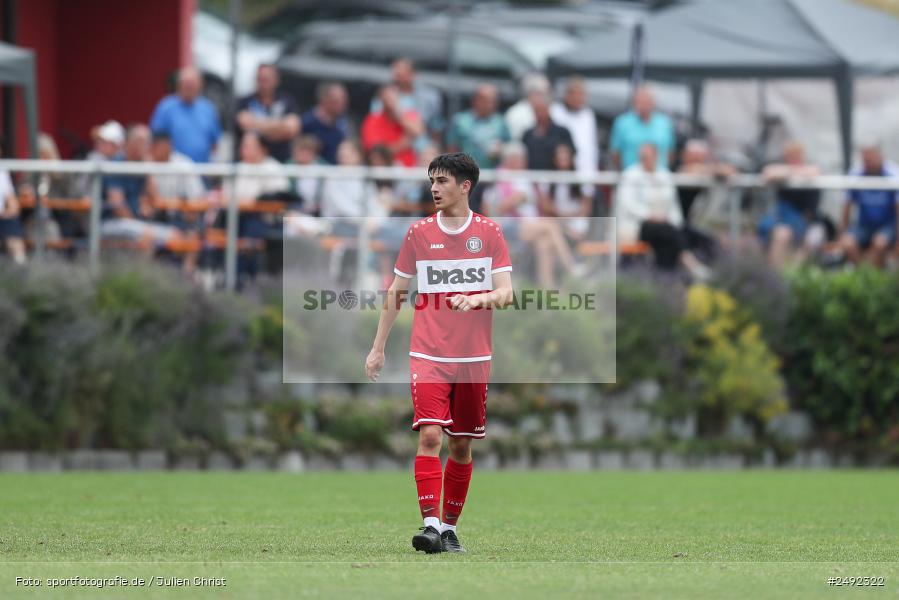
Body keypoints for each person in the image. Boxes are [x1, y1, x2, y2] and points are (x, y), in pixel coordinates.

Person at [364, 152, 514, 555]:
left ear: (465, 186)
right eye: (432, 180)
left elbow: (506, 293)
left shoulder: (490, 232)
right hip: (427, 353)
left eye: (443, 180)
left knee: (461, 445)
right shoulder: (418, 233)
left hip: (474, 358)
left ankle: (448, 529)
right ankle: (430, 526)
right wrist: (377, 348)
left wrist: (478, 298)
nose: (434, 187)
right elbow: (396, 292)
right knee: (430, 434)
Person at [486, 142, 580, 288]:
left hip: (530, 225)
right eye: (518, 159)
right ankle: (572, 267)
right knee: (550, 226)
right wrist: (516, 199)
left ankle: (547, 289)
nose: (522, 162)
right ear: (510, 160)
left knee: (545, 243)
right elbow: (494, 209)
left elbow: (538, 206)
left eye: (522, 159)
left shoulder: (526, 178)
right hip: (510, 226)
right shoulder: (501, 179)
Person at [616, 143, 708, 279]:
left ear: (656, 156)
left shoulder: (664, 175)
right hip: (640, 226)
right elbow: (627, 204)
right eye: (643, 157)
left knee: (676, 237)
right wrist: (651, 216)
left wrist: (674, 223)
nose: (645, 160)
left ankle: (666, 278)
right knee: (666, 231)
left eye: (648, 156)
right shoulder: (630, 175)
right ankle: (689, 262)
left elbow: (673, 205)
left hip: (666, 226)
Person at [757, 141, 822, 268]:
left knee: (783, 235)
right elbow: (768, 172)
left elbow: (814, 172)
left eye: (797, 156)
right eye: (791, 156)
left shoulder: (810, 170)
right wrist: (790, 172)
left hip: (802, 218)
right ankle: (773, 271)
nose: (794, 159)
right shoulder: (782, 169)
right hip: (781, 215)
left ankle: (776, 273)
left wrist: (789, 173)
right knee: (773, 233)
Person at [839, 141, 899, 268]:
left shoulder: (893, 175)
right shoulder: (856, 174)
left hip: (888, 226)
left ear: (879, 156)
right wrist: (842, 234)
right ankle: (863, 273)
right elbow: (846, 206)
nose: (867, 162)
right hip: (864, 226)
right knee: (847, 243)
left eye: (870, 159)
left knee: (879, 243)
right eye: (865, 159)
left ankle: (874, 275)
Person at [149, 67, 222, 164]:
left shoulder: (208, 109)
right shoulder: (166, 107)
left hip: (203, 168)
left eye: (192, 84)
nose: (189, 87)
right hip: (174, 169)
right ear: (178, 85)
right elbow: (157, 140)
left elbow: (215, 143)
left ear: (200, 85)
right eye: (186, 83)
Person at [234, 64, 301, 163]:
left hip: (281, 162)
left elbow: (292, 128)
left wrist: (256, 125)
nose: (263, 83)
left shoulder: (288, 101)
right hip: (251, 163)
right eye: (260, 79)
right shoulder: (245, 102)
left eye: (266, 79)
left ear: (276, 80)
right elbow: (244, 123)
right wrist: (279, 128)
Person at [610, 86, 675, 170]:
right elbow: (615, 153)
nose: (643, 105)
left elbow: (670, 152)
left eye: (646, 101)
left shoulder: (665, 123)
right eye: (640, 101)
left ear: (653, 102)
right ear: (634, 103)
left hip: (659, 175)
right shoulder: (622, 122)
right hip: (630, 175)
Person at [446, 83, 510, 169]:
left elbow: (509, 148)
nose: (490, 105)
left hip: (493, 173)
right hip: (466, 172)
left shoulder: (501, 123)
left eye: (493, 101)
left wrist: (501, 148)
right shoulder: (460, 121)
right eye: (486, 101)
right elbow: (451, 149)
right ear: (475, 100)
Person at [536, 144, 592, 239]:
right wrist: (561, 215)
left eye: (565, 157)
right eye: (560, 157)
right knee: (551, 227)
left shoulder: (580, 178)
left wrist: (571, 215)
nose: (563, 159)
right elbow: (545, 205)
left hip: (575, 218)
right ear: (555, 159)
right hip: (556, 218)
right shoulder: (548, 178)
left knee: (580, 227)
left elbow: (586, 206)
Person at [361, 84, 424, 168]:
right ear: (381, 99)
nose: (390, 100)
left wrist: (399, 117)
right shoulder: (372, 119)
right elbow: (376, 150)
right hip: (383, 167)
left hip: (407, 168)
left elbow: (418, 131)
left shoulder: (407, 115)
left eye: (393, 96)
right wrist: (404, 143)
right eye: (387, 96)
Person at [550, 76, 599, 184]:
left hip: (585, 171)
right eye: (575, 94)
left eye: (581, 94)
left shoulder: (588, 115)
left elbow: (591, 146)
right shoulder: (556, 112)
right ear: (567, 94)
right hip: (561, 172)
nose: (578, 98)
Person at [521, 91, 574, 171]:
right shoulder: (528, 134)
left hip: (556, 176)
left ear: (548, 109)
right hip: (533, 175)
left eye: (542, 109)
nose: (540, 113)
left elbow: (571, 153)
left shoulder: (562, 132)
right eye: (537, 110)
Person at [300, 82, 349, 165]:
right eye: (337, 100)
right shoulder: (307, 122)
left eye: (344, 99)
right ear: (325, 99)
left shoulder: (344, 122)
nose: (342, 104)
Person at [504, 73, 551, 142]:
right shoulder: (515, 112)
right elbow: (515, 138)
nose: (545, 98)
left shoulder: (549, 109)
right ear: (533, 93)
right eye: (543, 94)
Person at [0, 144, 26, 264]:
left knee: (13, 229)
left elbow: (13, 204)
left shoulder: (2, 173)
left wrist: (6, 213)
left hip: (2, 216)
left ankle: (20, 266)